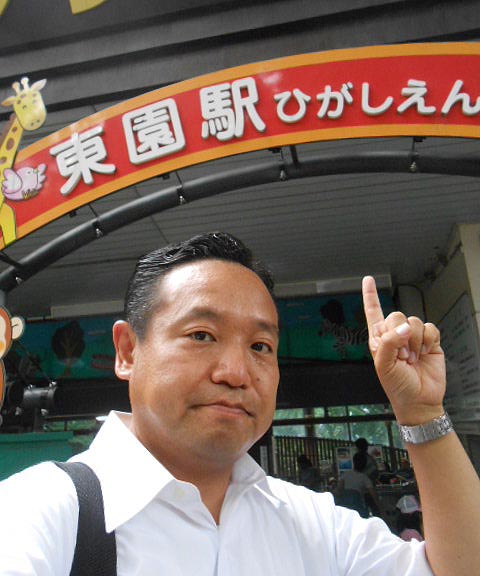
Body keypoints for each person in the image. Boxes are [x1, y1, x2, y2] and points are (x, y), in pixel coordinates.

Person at [0, 231, 479, 575]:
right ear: (127, 352)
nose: (236, 372)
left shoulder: (311, 523)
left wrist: (422, 414)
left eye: (260, 346)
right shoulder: (41, 513)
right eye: (201, 335)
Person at [336, 452, 383, 518]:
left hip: (345, 507)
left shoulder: (345, 474)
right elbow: (374, 496)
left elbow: (339, 490)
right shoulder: (364, 478)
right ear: (365, 464)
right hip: (358, 507)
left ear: (353, 462)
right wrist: (382, 510)